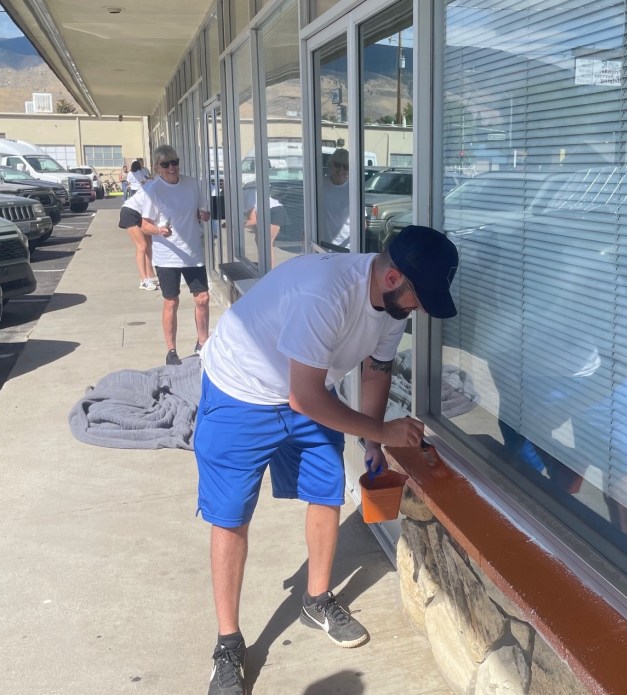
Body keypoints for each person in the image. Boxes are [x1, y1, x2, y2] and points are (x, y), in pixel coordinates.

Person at [194, 225, 459, 694]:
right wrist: (382, 430)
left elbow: (376, 372)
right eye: (421, 295)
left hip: (307, 391)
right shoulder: (327, 294)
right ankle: (228, 642)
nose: (420, 307)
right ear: (394, 276)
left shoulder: (392, 305)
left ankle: (316, 600)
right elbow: (304, 397)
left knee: (326, 488)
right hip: (242, 390)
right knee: (231, 514)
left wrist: (373, 442)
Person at [135, 145, 211, 365]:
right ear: (157, 168)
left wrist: (202, 214)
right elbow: (144, 224)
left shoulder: (194, 185)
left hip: (192, 253)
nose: (172, 168)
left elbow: (199, 211)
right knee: (171, 302)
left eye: (174, 162)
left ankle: (202, 343)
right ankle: (171, 351)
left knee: (203, 298)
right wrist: (159, 230)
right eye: (165, 164)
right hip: (167, 256)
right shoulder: (152, 190)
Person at [117, 194, 159, 291]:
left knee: (149, 243)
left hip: (141, 214)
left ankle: (151, 275)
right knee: (142, 246)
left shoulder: (159, 188)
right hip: (129, 212)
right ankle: (143, 280)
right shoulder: (155, 190)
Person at [318, 148, 351, 249]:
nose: (341, 170)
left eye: (346, 167)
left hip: (344, 247)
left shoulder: (353, 189)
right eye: (337, 165)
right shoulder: (320, 183)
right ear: (331, 164)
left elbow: (363, 225)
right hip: (320, 244)